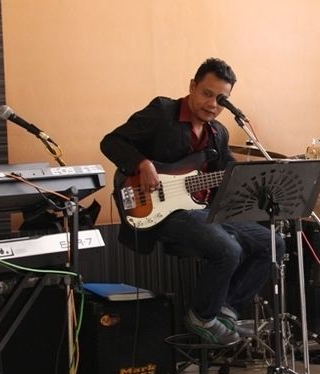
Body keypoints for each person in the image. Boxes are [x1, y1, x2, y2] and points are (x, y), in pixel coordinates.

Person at [100, 57, 281, 345]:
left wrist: (259, 178)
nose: (212, 104)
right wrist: (142, 164)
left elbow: (229, 174)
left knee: (274, 243)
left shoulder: (218, 133)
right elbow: (111, 142)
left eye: (220, 99)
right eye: (207, 93)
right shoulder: (163, 112)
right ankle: (202, 316)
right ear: (192, 86)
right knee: (228, 248)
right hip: (162, 213)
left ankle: (226, 309)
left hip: (203, 211)